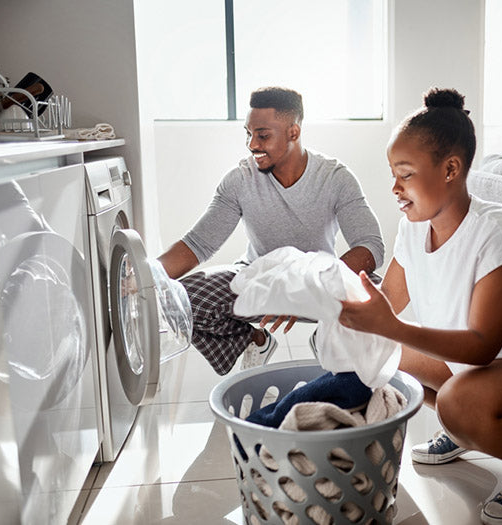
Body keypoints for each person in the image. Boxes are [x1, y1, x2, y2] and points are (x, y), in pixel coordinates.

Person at [338, 88, 502, 524]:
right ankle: (470, 431)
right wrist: (324, 302)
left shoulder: (497, 233)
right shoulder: (412, 228)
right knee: (375, 352)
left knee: (456, 402)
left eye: (404, 174)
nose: (394, 187)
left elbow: (481, 346)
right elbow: (387, 301)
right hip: (484, 374)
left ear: (450, 169)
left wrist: (391, 327)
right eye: (392, 173)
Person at [159, 86, 384, 375]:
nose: (252, 144)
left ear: (293, 132)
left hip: (318, 283)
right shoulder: (240, 180)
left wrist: (308, 284)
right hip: (259, 280)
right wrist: (149, 274)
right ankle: (254, 341)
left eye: (262, 135)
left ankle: (328, 338)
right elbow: (198, 244)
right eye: (248, 134)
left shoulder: (335, 177)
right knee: (181, 297)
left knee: (379, 292)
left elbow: (370, 246)